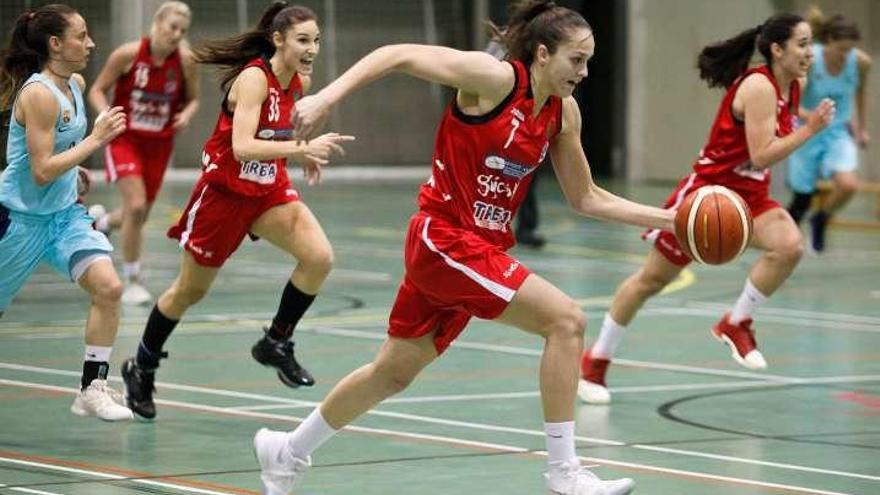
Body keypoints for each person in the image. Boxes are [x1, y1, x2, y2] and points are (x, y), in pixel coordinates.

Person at [254, 2, 680, 494]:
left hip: (471, 251)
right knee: (566, 321)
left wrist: (669, 218)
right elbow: (397, 54)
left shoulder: (562, 113)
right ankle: (564, 474)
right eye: (576, 60)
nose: (583, 73)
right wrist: (326, 96)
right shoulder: (494, 79)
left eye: (589, 62)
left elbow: (586, 197)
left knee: (391, 374)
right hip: (444, 238)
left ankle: (286, 452)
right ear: (542, 54)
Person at [578, 14, 835, 405]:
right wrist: (810, 130)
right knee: (651, 281)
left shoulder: (792, 85)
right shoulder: (758, 86)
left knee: (789, 246)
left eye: (810, 43)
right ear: (777, 50)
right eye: (802, 43)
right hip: (708, 197)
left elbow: (776, 126)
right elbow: (762, 155)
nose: (809, 53)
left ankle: (736, 323)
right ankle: (596, 359)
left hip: (750, 195)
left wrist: (803, 119)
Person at [119, 1, 354, 420]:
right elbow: (243, 146)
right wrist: (302, 148)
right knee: (190, 291)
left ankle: (275, 342)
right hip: (224, 194)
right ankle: (142, 365)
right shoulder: (252, 79)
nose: (312, 48)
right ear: (278, 39)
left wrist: (305, 152)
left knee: (319, 258)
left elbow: (285, 127)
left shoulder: (299, 79)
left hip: (267, 191)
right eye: (303, 39)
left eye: (316, 39)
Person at [0, 4, 132, 420]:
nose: (90, 43)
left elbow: (57, 158)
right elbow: (39, 171)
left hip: (63, 217)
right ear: (55, 44)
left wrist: (74, 170)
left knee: (109, 287)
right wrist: (94, 142)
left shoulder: (74, 82)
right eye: (81, 35)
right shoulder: (38, 94)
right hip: (17, 221)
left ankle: (92, 388)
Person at [87, 1, 200, 304]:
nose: (176, 34)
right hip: (125, 139)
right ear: (157, 23)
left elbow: (193, 100)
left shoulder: (185, 62)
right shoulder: (128, 54)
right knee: (136, 206)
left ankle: (103, 224)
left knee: (140, 213)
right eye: (172, 26)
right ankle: (133, 279)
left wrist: (187, 114)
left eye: (182, 30)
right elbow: (96, 89)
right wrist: (106, 115)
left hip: (159, 145)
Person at [786, 7, 871, 253]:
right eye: (842, 49)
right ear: (829, 42)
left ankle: (821, 217)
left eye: (850, 49)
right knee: (802, 196)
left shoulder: (861, 62)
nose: (846, 55)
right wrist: (810, 116)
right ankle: (785, 245)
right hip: (808, 130)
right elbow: (792, 104)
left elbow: (861, 93)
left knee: (848, 185)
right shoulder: (812, 62)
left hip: (838, 131)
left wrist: (862, 128)